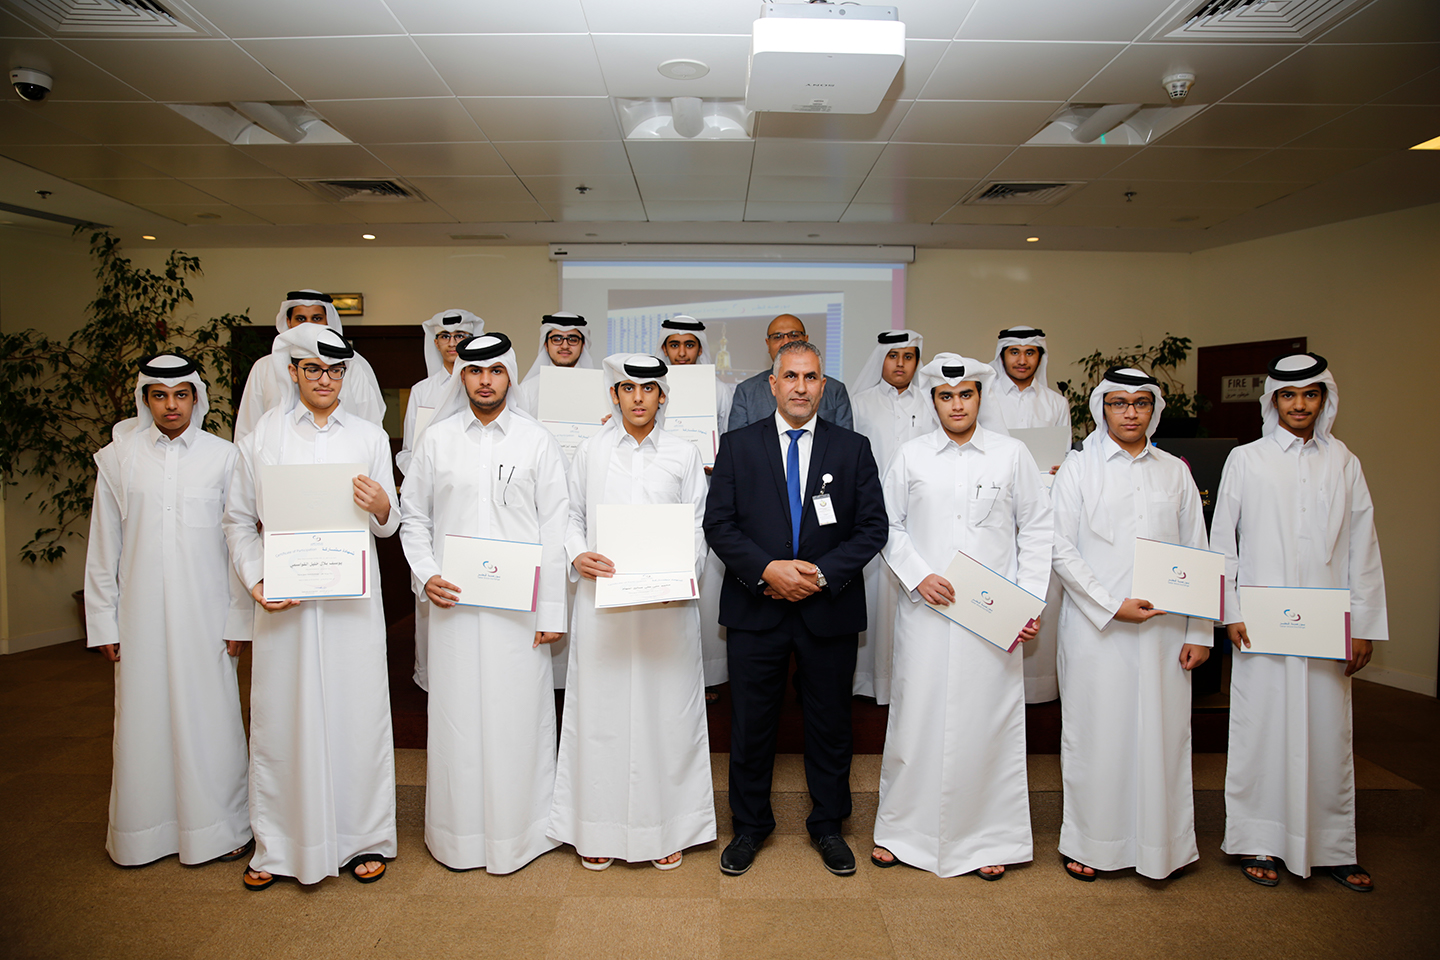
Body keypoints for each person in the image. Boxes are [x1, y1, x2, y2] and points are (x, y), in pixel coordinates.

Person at [223, 324, 399, 891]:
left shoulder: (370, 435)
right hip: (287, 603)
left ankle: (364, 838)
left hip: (351, 602)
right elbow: (237, 521)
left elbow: (391, 523)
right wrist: (255, 580)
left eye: (336, 371)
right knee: (282, 719)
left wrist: (381, 506)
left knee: (357, 715)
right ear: (293, 372)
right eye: (315, 370)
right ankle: (278, 844)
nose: (326, 380)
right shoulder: (260, 440)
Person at [704, 340, 888, 877]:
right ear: (773, 384)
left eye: (810, 378)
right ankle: (750, 828)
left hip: (826, 608)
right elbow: (719, 525)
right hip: (755, 606)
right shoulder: (737, 446)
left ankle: (829, 826)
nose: (801, 387)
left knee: (831, 726)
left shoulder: (853, 448)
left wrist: (820, 575)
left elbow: (872, 527)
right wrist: (769, 571)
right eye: (791, 377)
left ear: (823, 386)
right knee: (751, 725)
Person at [1210, 353, 1387, 893]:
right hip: (1261, 622)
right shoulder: (1246, 459)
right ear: (1273, 401)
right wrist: (1232, 611)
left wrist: (1363, 623)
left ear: (1324, 399)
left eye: (1310, 395)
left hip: (1326, 624)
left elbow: (1363, 547)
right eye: (1288, 396)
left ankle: (1331, 844)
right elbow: (1223, 542)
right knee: (1260, 728)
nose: (1299, 405)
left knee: (1328, 730)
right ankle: (1256, 839)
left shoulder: (1344, 462)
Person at [871, 354, 1051, 879]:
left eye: (966, 394)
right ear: (933, 401)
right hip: (927, 610)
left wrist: (1029, 600)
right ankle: (903, 833)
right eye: (946, 396)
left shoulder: (1012, 455)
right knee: (917, 718)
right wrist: (917, 575)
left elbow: (1037, 531)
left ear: (980, 398)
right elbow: (887, 524)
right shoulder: (910, 455)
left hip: (994, 618)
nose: (956, 404)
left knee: (987, 723)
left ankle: (989, 839)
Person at [398, 333, 570, 873]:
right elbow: (415, 519)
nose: (486, 381)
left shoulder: (537, 441)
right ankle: (458, 837)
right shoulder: (436, 440)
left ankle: (522, 834)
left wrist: (551, 610)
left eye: (496, 371)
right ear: (462, 377)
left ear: (509, 376)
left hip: (519, 612)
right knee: (457, 719)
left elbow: (555, 528)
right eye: (475, 372)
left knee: (520, 718)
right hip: (454, 607)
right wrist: (426, 576)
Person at [84, 354, 252, 868]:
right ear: (145, 399)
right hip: (139, 617)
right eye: (160, 395)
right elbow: (102, 546)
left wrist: (239, 617)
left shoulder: (225, 457)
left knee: (213, 719)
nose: (171, 405)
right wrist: (103, 620)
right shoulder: (117, 459)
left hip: (206, 615)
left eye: (181, 394)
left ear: (197, 399)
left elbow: (239, 541)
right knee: (142, 720)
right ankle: (144, 835)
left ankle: (222, 831)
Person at [549, 354, 716, 871]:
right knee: (599, 713)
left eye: (648, 389)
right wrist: (577, 553)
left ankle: (669, 827)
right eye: (628, 388)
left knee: (668, 713)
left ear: (663, 397)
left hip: (666, 606)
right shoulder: (590, 453)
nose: (638, 397)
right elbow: (570, 516)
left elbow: (698, 524)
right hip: (604, 604)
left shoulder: (685, 454)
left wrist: (678, 573)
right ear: (615, 395)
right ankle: (593, 828)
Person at [1051, 367, 1212, 882]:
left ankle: (1162, 845)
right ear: (1102, 408)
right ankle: (1093, 843)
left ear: (1153, 409)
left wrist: (1200, 632)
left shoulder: (1174, 471)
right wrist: (1109, 603)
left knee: (1163, 738)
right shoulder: (1078, 470)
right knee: (1098, 736)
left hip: (1167, 633)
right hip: (1098, 629)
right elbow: (1060, 548)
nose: (1130, 413)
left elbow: (1199, 552)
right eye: (1119, 403)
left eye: (1140, 403)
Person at [396, 308, 483, 693]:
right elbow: (408, 451)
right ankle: (431, 677)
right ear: (435, 343)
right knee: (434, 587)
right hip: (434, 501)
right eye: (445, 337)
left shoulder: (484, 383)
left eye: (460, 337)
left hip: (475, 500)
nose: (453, 344)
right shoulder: (422, 391)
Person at [849, 329, 934, 703]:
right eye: (893, 356)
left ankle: (913, 680)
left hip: (922, 518)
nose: (901, 364)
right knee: (874, 602)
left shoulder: (934, 404)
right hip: (869, 517)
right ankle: (871, 682)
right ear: (880, 359)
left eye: (909, 356)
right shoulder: (859, 403)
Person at [991, 326, 1072, 705]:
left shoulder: (1056, 402)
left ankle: (1038, 687)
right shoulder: (984, 395)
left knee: (1042, 584)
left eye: (1030, 353)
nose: (1022, 360)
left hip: (1041, 503)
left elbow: (1065, 456)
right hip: (994, 504)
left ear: (1040, 357)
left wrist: (1059, 469)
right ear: (1002, 355)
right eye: (1014, 352)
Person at [657, 314, 733, 690]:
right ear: (664, 348)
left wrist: (715, 462)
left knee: (702, 585)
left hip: (705, 488)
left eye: (690, 345)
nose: (682, 352)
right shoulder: (648, 386)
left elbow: (728, 439)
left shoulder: (718, 388)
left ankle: (707, 674)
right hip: (659, 496)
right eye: (675, 345)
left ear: (700, 349)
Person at [232, 290, 384, 442]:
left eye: (316, 318)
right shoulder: (263, 367)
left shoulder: (353, 366)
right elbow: (248, 429)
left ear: (327, 322)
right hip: (279, 460)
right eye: (301, 319)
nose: (309, 325)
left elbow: (370, 423)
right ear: (288, 322)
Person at [726, 314, 853, 432]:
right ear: (768, 344)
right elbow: (738, 446)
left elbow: (845, 445)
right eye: (778, 337)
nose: (786, 342)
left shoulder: (835, 389)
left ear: (806, 339)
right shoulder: (747, 391)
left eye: (794, 335)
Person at [512, 312, 597, 418]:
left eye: (573, 340)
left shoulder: (601, 390)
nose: (565, 346)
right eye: (557, 339)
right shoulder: (527, 390)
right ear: (546, 345)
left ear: (583, 345)